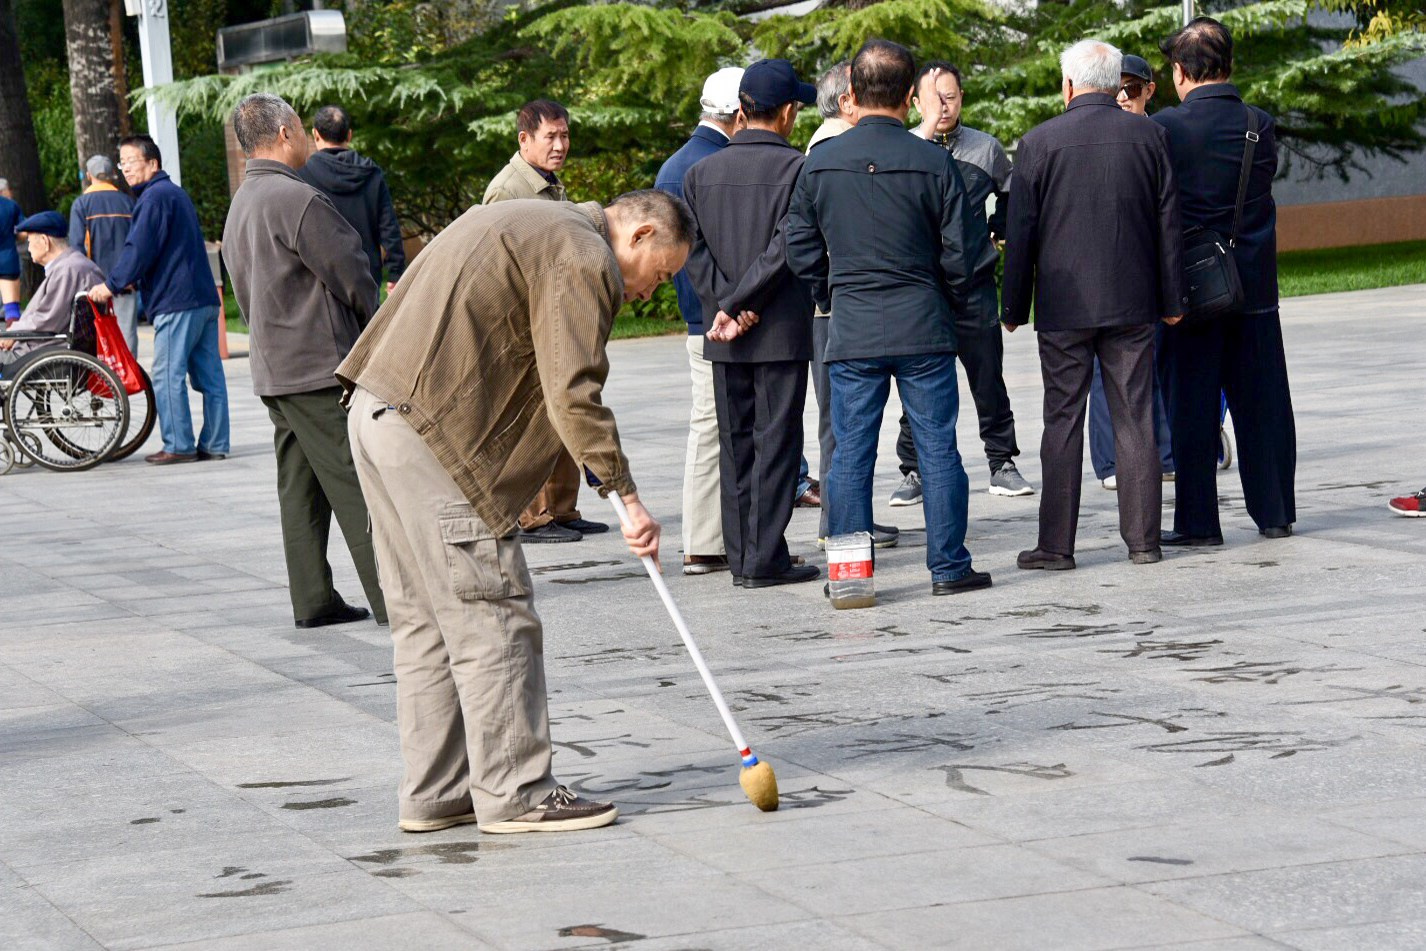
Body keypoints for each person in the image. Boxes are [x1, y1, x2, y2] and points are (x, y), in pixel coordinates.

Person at [337, 189, 690, 834]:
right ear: (639, 235)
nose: (649, 292)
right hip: (433, 431)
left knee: (425, 621)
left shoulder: (534, 220)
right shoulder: (582, 252)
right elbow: (572, 390)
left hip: (377, 411)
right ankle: (517, 789)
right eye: (661, 274)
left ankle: (438, 792)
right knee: (492, 611)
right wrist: (627, 498)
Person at [787, 38, 996, 598]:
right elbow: (965, 254)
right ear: (909, 97)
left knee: (851, 453)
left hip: (853, 324)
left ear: (852, 95)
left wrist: (830, 288)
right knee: (938, 447)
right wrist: (944, 297)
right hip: (923, 321)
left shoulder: (820, 163)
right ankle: (948, 567)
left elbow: (798, 245)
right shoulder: (935, 161)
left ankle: (851, 574)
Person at [1002, 40, 1184, 571]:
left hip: (1063, 308)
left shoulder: (1038, 142)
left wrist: (1012, 306)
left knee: (1062, 421)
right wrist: (1173, 299)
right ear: (1115, 83)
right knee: (1135, 417)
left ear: (1068, 86)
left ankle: (1056, 546)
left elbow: (1021, 232)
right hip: (1132, 303)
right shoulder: (1150, 136)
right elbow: (1168, 222)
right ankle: (1144, 542)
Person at [223, 93, 387, 630]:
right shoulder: (297, 199)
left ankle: (314, 598)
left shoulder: (242, 202)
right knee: (355, 481)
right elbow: (353, 274)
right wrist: (375, 327)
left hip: (275, 368)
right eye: (298, 126)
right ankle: (396, 598)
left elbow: (242, 290)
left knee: (300, 490)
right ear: (286, 133)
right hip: (317, 367)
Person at [1154, 17, 1296, 546]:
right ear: (1229, 65)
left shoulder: (1164, 128)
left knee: (1191, 406)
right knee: (1263, 404)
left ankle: (1199, 524)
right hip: (1254, 285)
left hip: (1191, 288)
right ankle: (1275, 512)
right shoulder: (1260, 123)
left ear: (1180, 71)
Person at [684, 59, 820, 589]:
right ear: (786, 113)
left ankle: (742, 556)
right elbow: (787, 247)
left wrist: (726, 304)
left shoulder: (700, 173)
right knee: (776, 443)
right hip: (779, 327)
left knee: (735, 442)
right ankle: (765, 557)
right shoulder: (799, 170)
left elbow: (693, 252)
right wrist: (743, 302)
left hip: (723, 331)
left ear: (742, 110)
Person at [893, 60, 1033, 503]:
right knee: (918, 381)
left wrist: (998, 227)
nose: (943, 106)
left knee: (988, 378)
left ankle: (1002, 463)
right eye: (934, 99)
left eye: (950, 97)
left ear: (962, 98)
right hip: (921, 289)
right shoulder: (904, 148)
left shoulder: (985, 148)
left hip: (974, 286)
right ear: (916, 103)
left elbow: (1012, 191)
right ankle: (913, 470)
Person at [483, 99, 608, 544]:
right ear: (525, 140)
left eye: (565, 135)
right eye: (550, 137)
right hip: (523, 322)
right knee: (533, 416)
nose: (560, 145)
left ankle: (562, 509)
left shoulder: (549, 185)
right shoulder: (508, 190)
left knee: (563, 408)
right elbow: (495, 264)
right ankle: (532, 515)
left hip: (554, 315)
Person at [803, 60, 900, 553]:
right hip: (838, 308)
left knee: (843, 423)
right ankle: (838, 525)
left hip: (839, 304)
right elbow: (807, 238)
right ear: (847, 101)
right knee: (840, 425)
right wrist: (827, 292)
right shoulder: (832, 149)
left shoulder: (831, 144)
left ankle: (847, 520)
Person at [88, 134, 229, 466]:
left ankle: (179, 445)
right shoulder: (174, 193)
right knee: (210, 378)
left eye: (131, 162)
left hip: (177, 300)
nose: (125, 169)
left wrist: (111, 284)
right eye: (122, 163)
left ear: (153, 163)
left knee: (166, 374)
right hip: (203, 299)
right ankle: (215, 443)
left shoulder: (154, 198)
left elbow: (139, 248)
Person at [655, 67, 743, 576]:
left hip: (701, 314)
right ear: (738, 113)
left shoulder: (677, 164)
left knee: (712, 426)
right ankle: (705, 543)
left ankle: (712, 540)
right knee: (712, 428)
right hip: (715, 316)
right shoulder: (711, 163)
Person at [1087, 54, 1175, 491]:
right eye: (1117, 88)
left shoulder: (1159, 137)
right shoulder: (1094, 137)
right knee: (1106, 372)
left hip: (1151, 270)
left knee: (1157, 365)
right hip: (1103, 271)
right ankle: (1110, 462)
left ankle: (1166, 452)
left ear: (1149, 91)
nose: (1123, 97)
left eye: (1132, 89)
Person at [297, 104, 406, 308]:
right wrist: (396, 273)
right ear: (349, 135)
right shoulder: (372, 174)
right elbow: (389, 227)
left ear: (315, 134)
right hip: (367, 277)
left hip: (323, 281)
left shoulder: (302, 177)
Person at [0, 212, 104, 368]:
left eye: (29, 241)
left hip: (43, 352)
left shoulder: (67, 270)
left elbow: (45, 319)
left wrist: (13, 332)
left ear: (44, 241)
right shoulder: (75, 264)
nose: (28, 248)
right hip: (54, 348)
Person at [68, 155, 139, 356]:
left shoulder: (81, 204)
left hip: (94, 284)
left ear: (88, 175)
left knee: (95, 333)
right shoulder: (129, 203)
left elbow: (76, 246)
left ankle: (101, 373)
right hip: (125, 281)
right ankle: (126, 372)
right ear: (112, 175)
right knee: (127, 333)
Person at [0, 180, 23, 323]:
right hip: (8, 260)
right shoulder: (11, 205)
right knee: (12, 310)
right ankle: (12, 334)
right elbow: (23, 232)